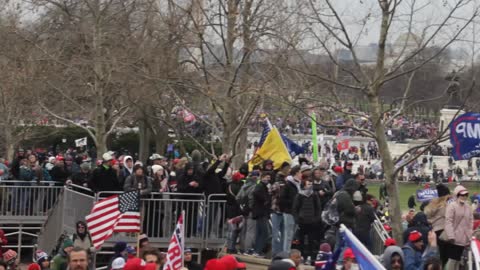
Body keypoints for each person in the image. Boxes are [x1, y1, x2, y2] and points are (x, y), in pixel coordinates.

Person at [444, 185, 473, 269]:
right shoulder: (452, 206)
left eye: (465, 195)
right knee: (452, 260)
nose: (464, 197)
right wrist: (451, 236)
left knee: (458, 260)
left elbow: (470, 221)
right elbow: (448, 221)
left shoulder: (468, 207)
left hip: (464, 239)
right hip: (454, 239)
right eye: (462, 195)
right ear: (457, 195)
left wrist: (469, 235)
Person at [292, 178, 322, 261]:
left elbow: (318, 208)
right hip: (302, 221)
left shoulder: (314, 195)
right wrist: (297, 219)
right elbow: (295, 208)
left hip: (312, 222)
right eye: (308, 184)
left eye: (311, 184)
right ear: (304, 185)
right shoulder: (300, 195)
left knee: (311, 240)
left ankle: (311, 257)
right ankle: (301, 256)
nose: (310, 186)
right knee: (301, 240)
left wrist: (316, 219)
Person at [424, 184, 450, 266]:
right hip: (444, 232)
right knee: (445, 257)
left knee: (437, 256)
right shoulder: (446, 206)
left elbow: (428, 218)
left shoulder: (432, 206)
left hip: (435, 232)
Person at [279, 165, 302, 252]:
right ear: (296, 173)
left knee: (292, 235)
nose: (301, 175)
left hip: (296, 212)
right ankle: (286, 253)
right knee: (288, 234)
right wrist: (293, 203)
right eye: (300, 172)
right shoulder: (288, 184)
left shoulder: (299, 184)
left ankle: (287, 251)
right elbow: (282, 198)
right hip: (289, 212)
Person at [271, 162, 290, 256]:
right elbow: (272, 192)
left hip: (285, 211)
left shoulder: (288, 182)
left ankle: (281, 253)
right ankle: (276, 253)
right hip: (277, 210)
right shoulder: (277, 183)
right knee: (276, 233)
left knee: (284, 234)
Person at [252, 172, 272, 257]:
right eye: (267, 177)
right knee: (264, 233)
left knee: (260, 232)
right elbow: (256, 193)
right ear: (262, 177)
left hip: (261, 212)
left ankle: (256, 250)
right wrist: (265, 199)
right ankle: (258, 251)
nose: (268, 179)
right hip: (261, 212)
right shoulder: (260, 186)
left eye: (269, 178)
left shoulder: (263, 186)